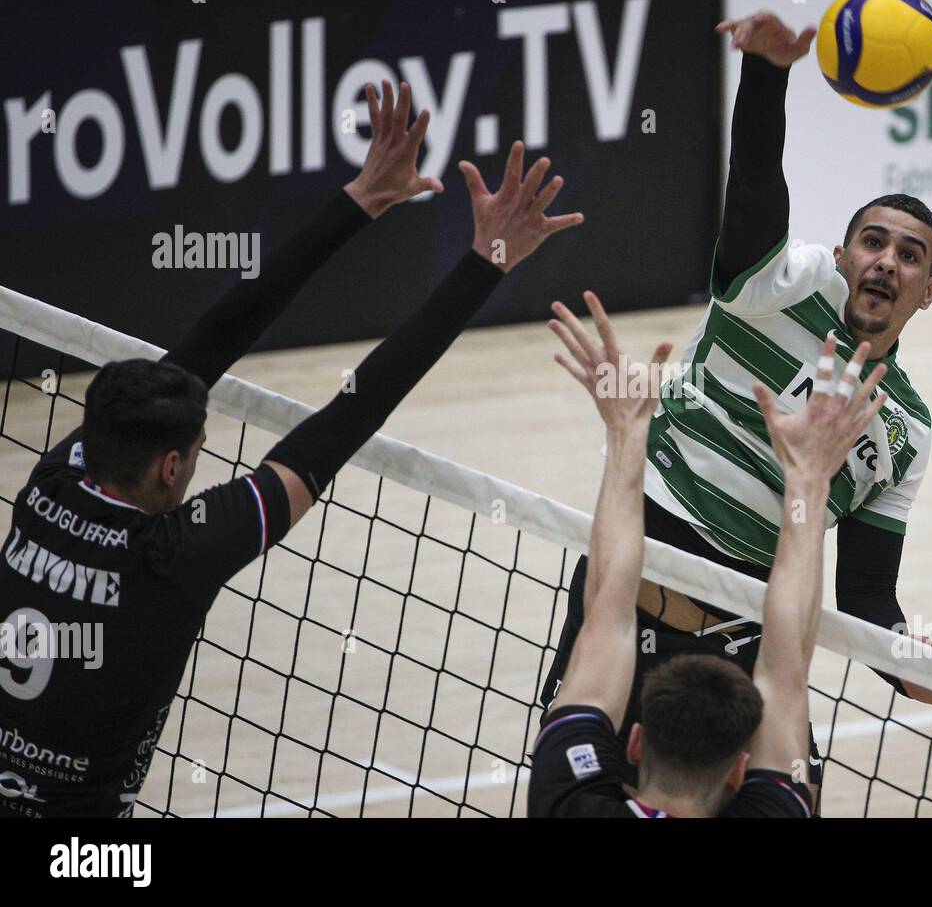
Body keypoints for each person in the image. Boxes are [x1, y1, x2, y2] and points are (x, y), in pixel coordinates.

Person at [0, 81, 582, 818]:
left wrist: (360, 200)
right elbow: (350, 413)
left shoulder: (51, 484)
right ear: (171, 466)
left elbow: (208, 347)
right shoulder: (173, 555)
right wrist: (483, 263)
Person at [539, 10, 932, 802]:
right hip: (625, 613)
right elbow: (754, 188)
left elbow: (864, 599)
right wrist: (768, 73)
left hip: (750, 662)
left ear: (928, 293)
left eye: (910, 256)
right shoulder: (778, 286)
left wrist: (922, 673)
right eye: (874, 242)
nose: (887, 262)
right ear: (844, 252)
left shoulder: (904, 431)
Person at [529, 292, 887, 817]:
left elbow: (608, 621)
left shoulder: (568, 799)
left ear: (634, 742)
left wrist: (628, 436)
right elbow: (785, 672)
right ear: (740, 772)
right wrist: (810, 480)